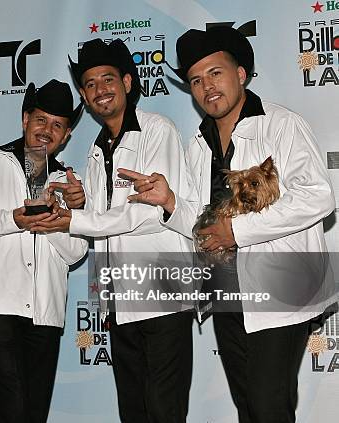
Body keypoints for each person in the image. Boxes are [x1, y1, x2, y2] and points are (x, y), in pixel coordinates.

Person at [120, 26, 336, 423]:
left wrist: (236, 232)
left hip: (281, 293)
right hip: (226, 294)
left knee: (269, 406)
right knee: (249, 409)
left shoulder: (281, 125)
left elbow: (318, 197)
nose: (207, 87)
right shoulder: (198, 145)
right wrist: (170, 201)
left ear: (240, 74)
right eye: (196, 80)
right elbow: (204, 225)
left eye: (215, 73)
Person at [32, 38, 193, 423]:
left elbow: (149, 212)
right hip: (119, 301)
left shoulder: (158, 129)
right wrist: (82, 205)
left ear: (128, 82)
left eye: (107, 79)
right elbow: (104, 224)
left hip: (163, 295)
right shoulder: (95, 147)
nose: (100, 90)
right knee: (133, 411)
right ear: (85, 98)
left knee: (165, 410)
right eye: (89, 84)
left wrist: (76, 219)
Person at [0, 79, 88, 423]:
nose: (47, 131)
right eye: (41, 120)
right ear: (25, 119)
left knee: (34, 412)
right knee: (10, 409)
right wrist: (14, 218)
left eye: (57, 125)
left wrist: (53, 219)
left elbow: (75, 252)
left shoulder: (70, 183)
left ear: (66, 135)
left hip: (45, 311)